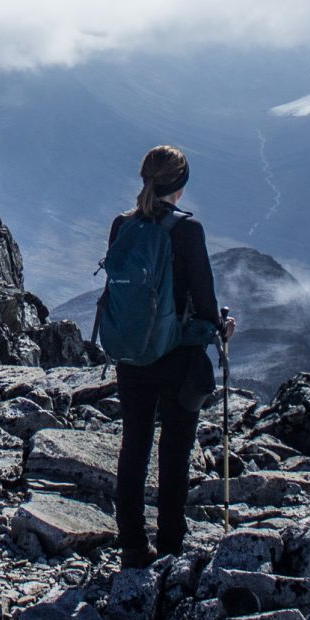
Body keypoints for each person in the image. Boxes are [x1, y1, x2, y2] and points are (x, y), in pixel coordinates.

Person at [108, 145, 235, 569]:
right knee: (175, 450)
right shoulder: (186, 230)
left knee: (134, 445)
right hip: (178, 355)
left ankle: (130, 543)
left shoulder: (121, 225)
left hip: (132, 356)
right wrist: (220, 328)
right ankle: (169, 545)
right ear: (180, 186)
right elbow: (203, 301)